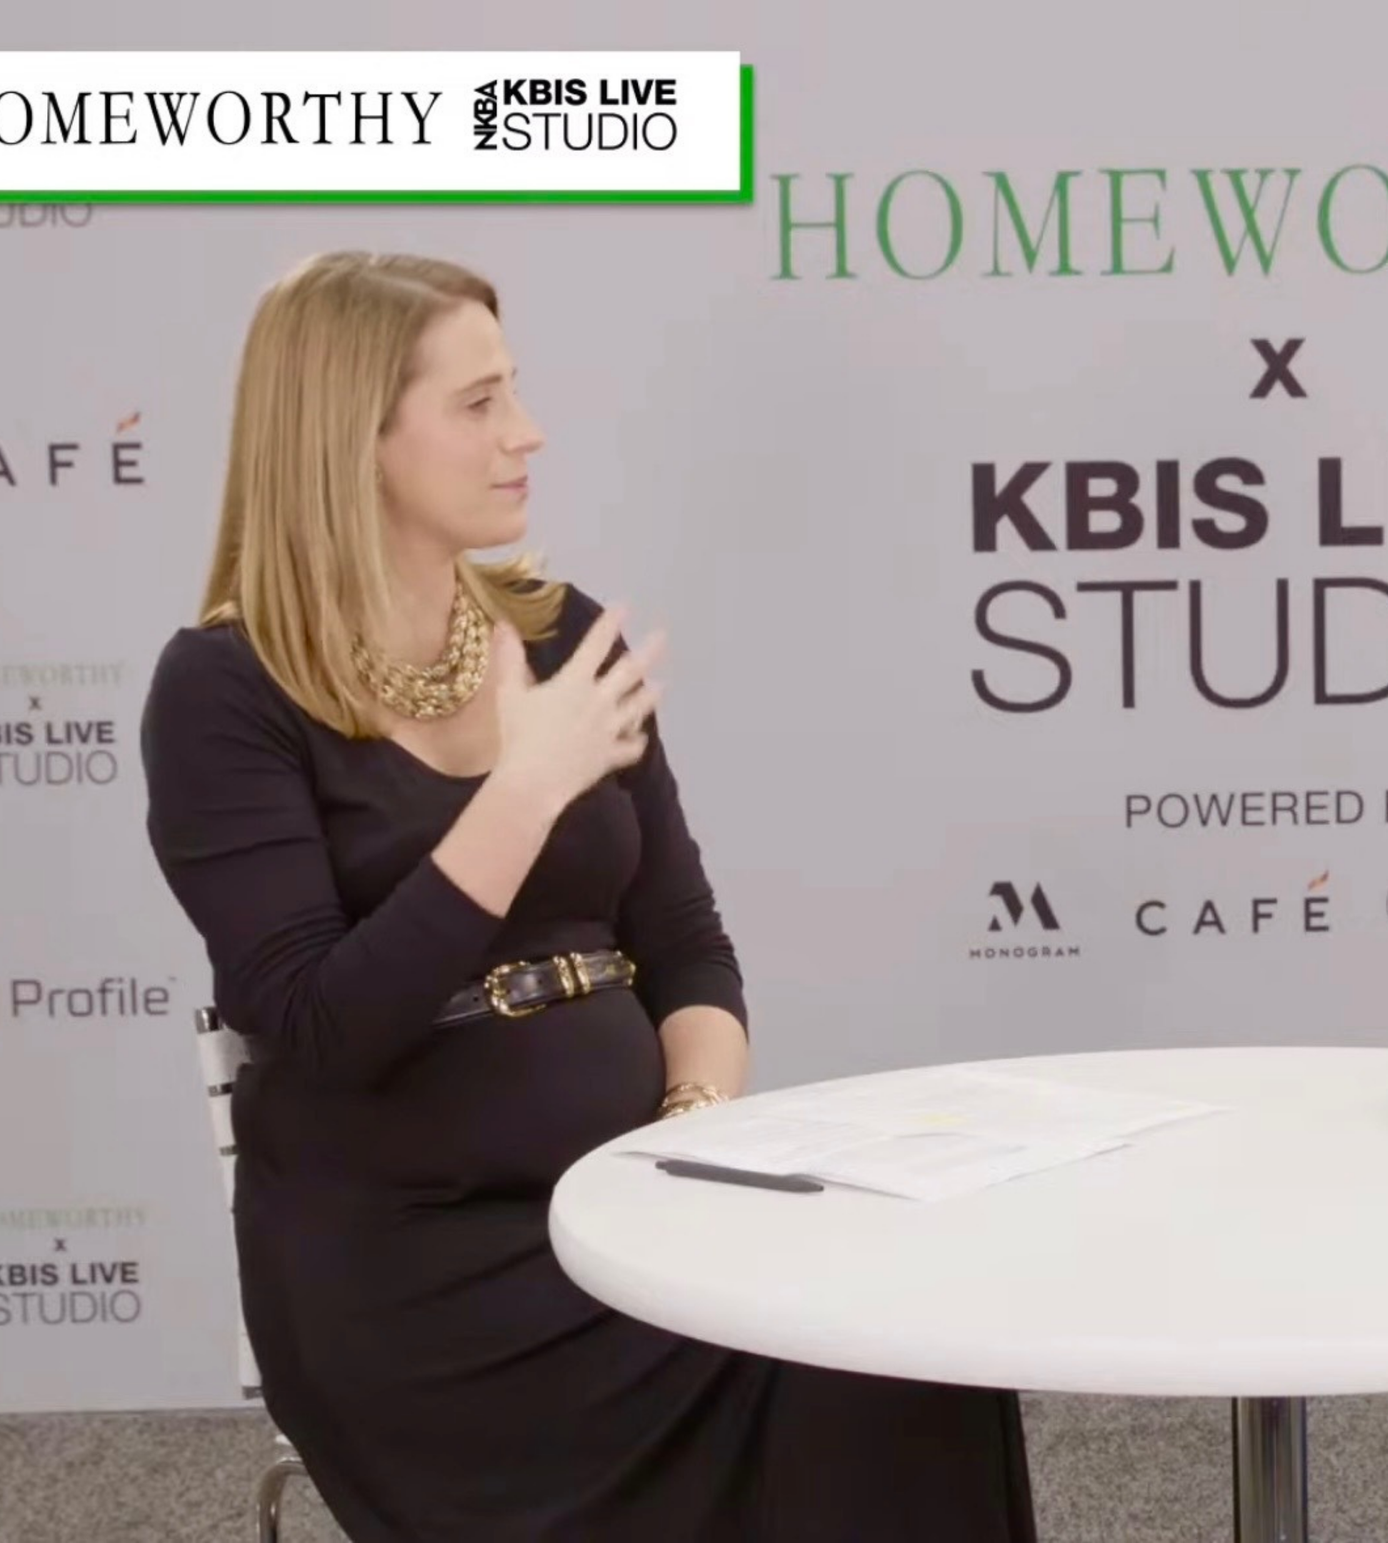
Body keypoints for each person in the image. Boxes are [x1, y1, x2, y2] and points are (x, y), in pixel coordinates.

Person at [140, 251, 1038, 1542]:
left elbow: (688, 950)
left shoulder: (566, 635)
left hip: (629, 1207)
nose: (529, 431)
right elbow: (319, 1023)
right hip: (417, 1285)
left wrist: (685, 1140)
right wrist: (523, 790)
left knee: (907, 1337)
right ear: (354, 439)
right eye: (481, 403)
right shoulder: (227, 691)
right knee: (841, 1384)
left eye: (517, 391)